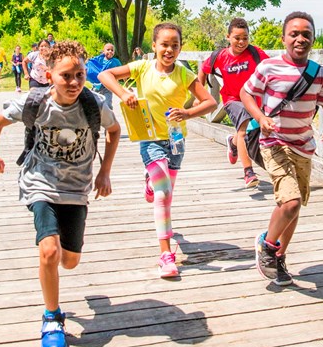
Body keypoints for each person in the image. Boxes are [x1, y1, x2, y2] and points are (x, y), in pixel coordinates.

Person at [0, 40, 121, 347]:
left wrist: (105, 172)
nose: (74, 83)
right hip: (39, 182)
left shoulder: (93, 105)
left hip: (76, 188)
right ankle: (52, 318)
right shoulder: (37, 104)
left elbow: (114, 132)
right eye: (65, 76)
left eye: (79, 74)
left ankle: (56, 264)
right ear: (49, 75)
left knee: (69, 261)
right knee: (49, 252)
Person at [99, 22, 217, 278]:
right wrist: (123, 94)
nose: (169, 50)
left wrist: (187, 112)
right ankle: (165, 254)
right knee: (164, 194)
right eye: (164, 44)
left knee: (165, 192)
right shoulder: (142, 67)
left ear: (180, 48)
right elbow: (104, 76)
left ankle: (151, 182)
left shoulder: (184, 74)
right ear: (153, 46)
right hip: (150, 139)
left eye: (175, 45)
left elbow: (210, 102)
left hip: (176, 142)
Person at [241, 11, 323, 286]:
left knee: (294, 207)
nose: (300, 39)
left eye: (306, 34)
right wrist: (260, 118)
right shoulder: (269, 68)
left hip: (303, 147)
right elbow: (246, 93)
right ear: (283, 38)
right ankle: (267, 246)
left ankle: (280, 256)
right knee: (291, 201)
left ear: (313, 39)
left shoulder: (320, 74)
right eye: (294, 34)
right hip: (273, 142)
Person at [198, 17, 269, 189]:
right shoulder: (220, 57)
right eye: (237, 38)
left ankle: (233, 142)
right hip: (232, 100)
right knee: (244, 130)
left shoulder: (255, 53)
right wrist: (200, 94)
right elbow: (203, 70)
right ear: (228, 37)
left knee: (244, 134)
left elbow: (271, 66)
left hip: (254, 101)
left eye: (245, 38)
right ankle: (248, 172)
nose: (241, 42)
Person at [86, 43, 122, 109]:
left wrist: (126, 83)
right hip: (97, 86)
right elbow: (92, 65)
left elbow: (122, 71)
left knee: (108, 104)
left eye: (112, 50)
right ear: (104, 51)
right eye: (108, 50)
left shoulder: (116, 61)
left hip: (108, 87)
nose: (110, 51)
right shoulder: (99, 59)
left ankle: (108, 117)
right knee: (93, 104)